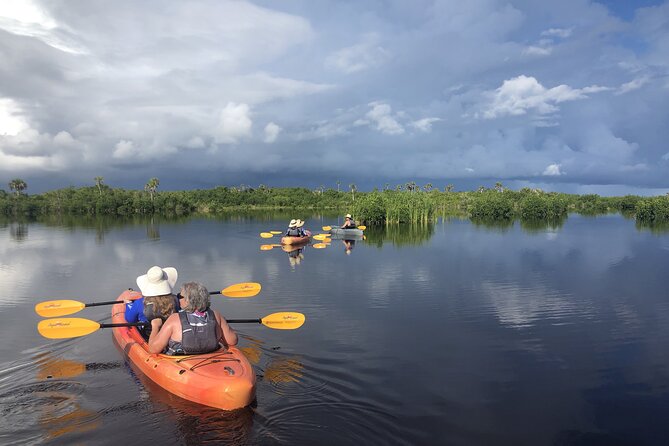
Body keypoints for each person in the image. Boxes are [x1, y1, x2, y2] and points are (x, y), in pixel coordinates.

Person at [148, 282, 238, 355]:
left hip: (181, 364)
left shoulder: (174, 319)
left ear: (188, 300)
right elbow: (232, 341)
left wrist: (155, 327)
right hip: (211, 356)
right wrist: (224, 323)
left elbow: (153, 349)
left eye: (180, 296)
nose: (178, 299)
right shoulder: (216, 315)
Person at [125, 266, 181, 332]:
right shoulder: (175, 300)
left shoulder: (139, 303)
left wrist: (128, 304)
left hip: (148, 335)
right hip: (171, 333)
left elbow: (130, 320)